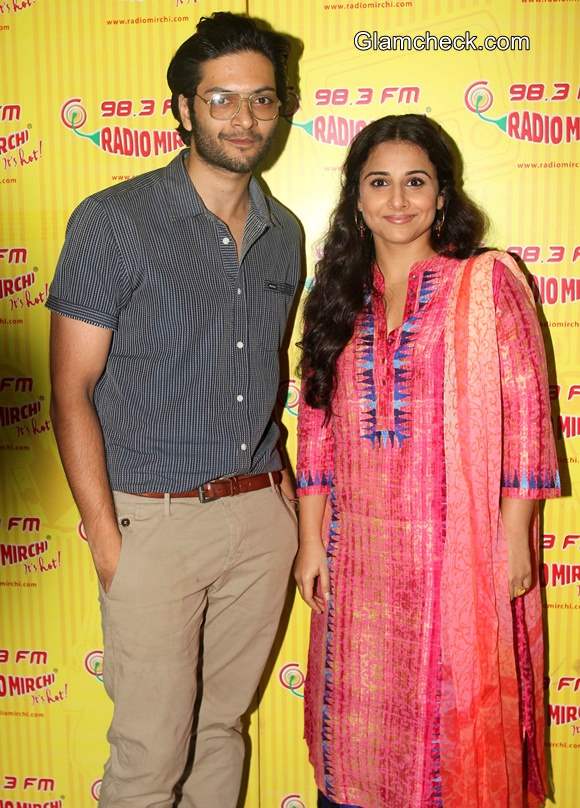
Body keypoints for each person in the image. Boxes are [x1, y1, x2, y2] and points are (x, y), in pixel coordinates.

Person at [48, 12, 301, 808]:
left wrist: (287, 504)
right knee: (149, 756)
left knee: (222, 730)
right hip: (150, 523)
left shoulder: (285, 232)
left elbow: (267, 381)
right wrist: (106, 535)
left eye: (261, 99)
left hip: (260, 517)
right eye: (222, 98)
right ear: (184, 110)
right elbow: (70, 391)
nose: (244, 117)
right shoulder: (113, 220)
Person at [294, 114, 559, 808]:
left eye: (417, 182)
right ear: (356, 197)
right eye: (379, 182)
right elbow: (316, 432)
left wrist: (513, 543)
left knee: (446, 734)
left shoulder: (486, 283)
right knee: (352, 739)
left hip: (455, 559)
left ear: (444, 195)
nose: (398, 199)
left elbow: (528, 422)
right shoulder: (335, 298)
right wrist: (309, 544)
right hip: (357, 564)